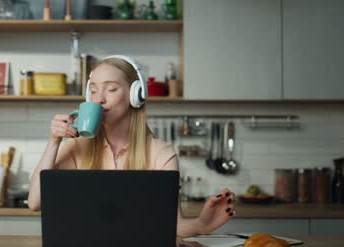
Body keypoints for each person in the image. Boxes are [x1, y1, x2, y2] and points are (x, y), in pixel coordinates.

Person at [28, 55, 236, 237]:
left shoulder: (160, 153)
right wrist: (54, 142)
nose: (99, 99)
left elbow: (175, 226)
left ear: (135, 95)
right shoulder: (76, 147)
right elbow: (35, 203)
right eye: (93, 91)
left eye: (111, 89)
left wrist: (201, 225)